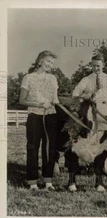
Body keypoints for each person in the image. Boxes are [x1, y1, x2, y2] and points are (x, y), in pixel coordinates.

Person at [19, 50, 59, 191]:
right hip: (35, 117)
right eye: (48, 61)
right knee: (33, 148)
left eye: (52, 63)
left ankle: (48, 182)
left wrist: (55, 100)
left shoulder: (53, 78)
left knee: (49, 149)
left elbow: (55, 98)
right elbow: (22, 100)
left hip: (51, 116)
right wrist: (39, 104)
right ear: (40, 60)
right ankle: (32, 182)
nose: (50, 65)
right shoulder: (29, 78)